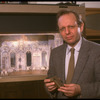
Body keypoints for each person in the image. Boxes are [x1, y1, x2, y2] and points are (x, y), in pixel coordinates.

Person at [44, 9, 100, 99]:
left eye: (71, 27)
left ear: (81, 27)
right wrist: (50, 88)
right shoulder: (55, 53)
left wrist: (80, 89)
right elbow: (49, 81)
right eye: (62, 28)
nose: (67, 32)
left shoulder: (97, 51)